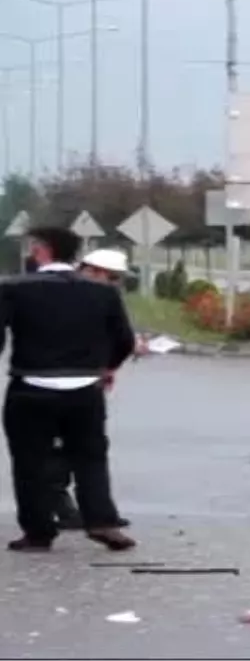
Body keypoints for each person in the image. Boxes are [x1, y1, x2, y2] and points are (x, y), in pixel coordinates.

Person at [0, 226, 137, 552]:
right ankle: (102, 521)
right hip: (84, 388)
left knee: (29, 461)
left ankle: (38, 532)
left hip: (31, 385)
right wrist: (105, 367)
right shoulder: (103, 293)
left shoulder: (14, 289)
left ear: (41, 250)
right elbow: (124, 341)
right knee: (90, 457)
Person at [49, 248, 139, 531]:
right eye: (112, 278)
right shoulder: (64, 297)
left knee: (84, 447)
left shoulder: (101, 297)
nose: (115, 285)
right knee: (63, 447)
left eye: (118, 280)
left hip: (88, 380)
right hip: (60, 382)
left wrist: (112, 362)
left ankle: (93, 511)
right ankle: (61, 506)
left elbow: (115, 336)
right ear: (92, 271)